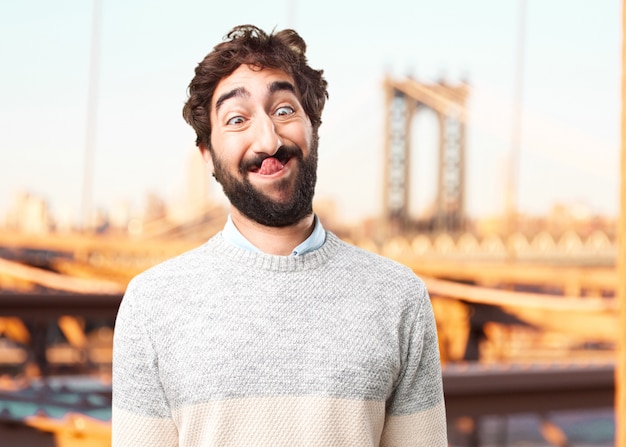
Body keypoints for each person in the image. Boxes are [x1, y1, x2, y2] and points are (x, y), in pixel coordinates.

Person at [112, 24, 447, 446]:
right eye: (237, 119)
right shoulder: (150, 305)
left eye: (285, 110)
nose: (269, 139)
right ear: (208, 157)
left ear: (314, 129)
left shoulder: (401, 298)